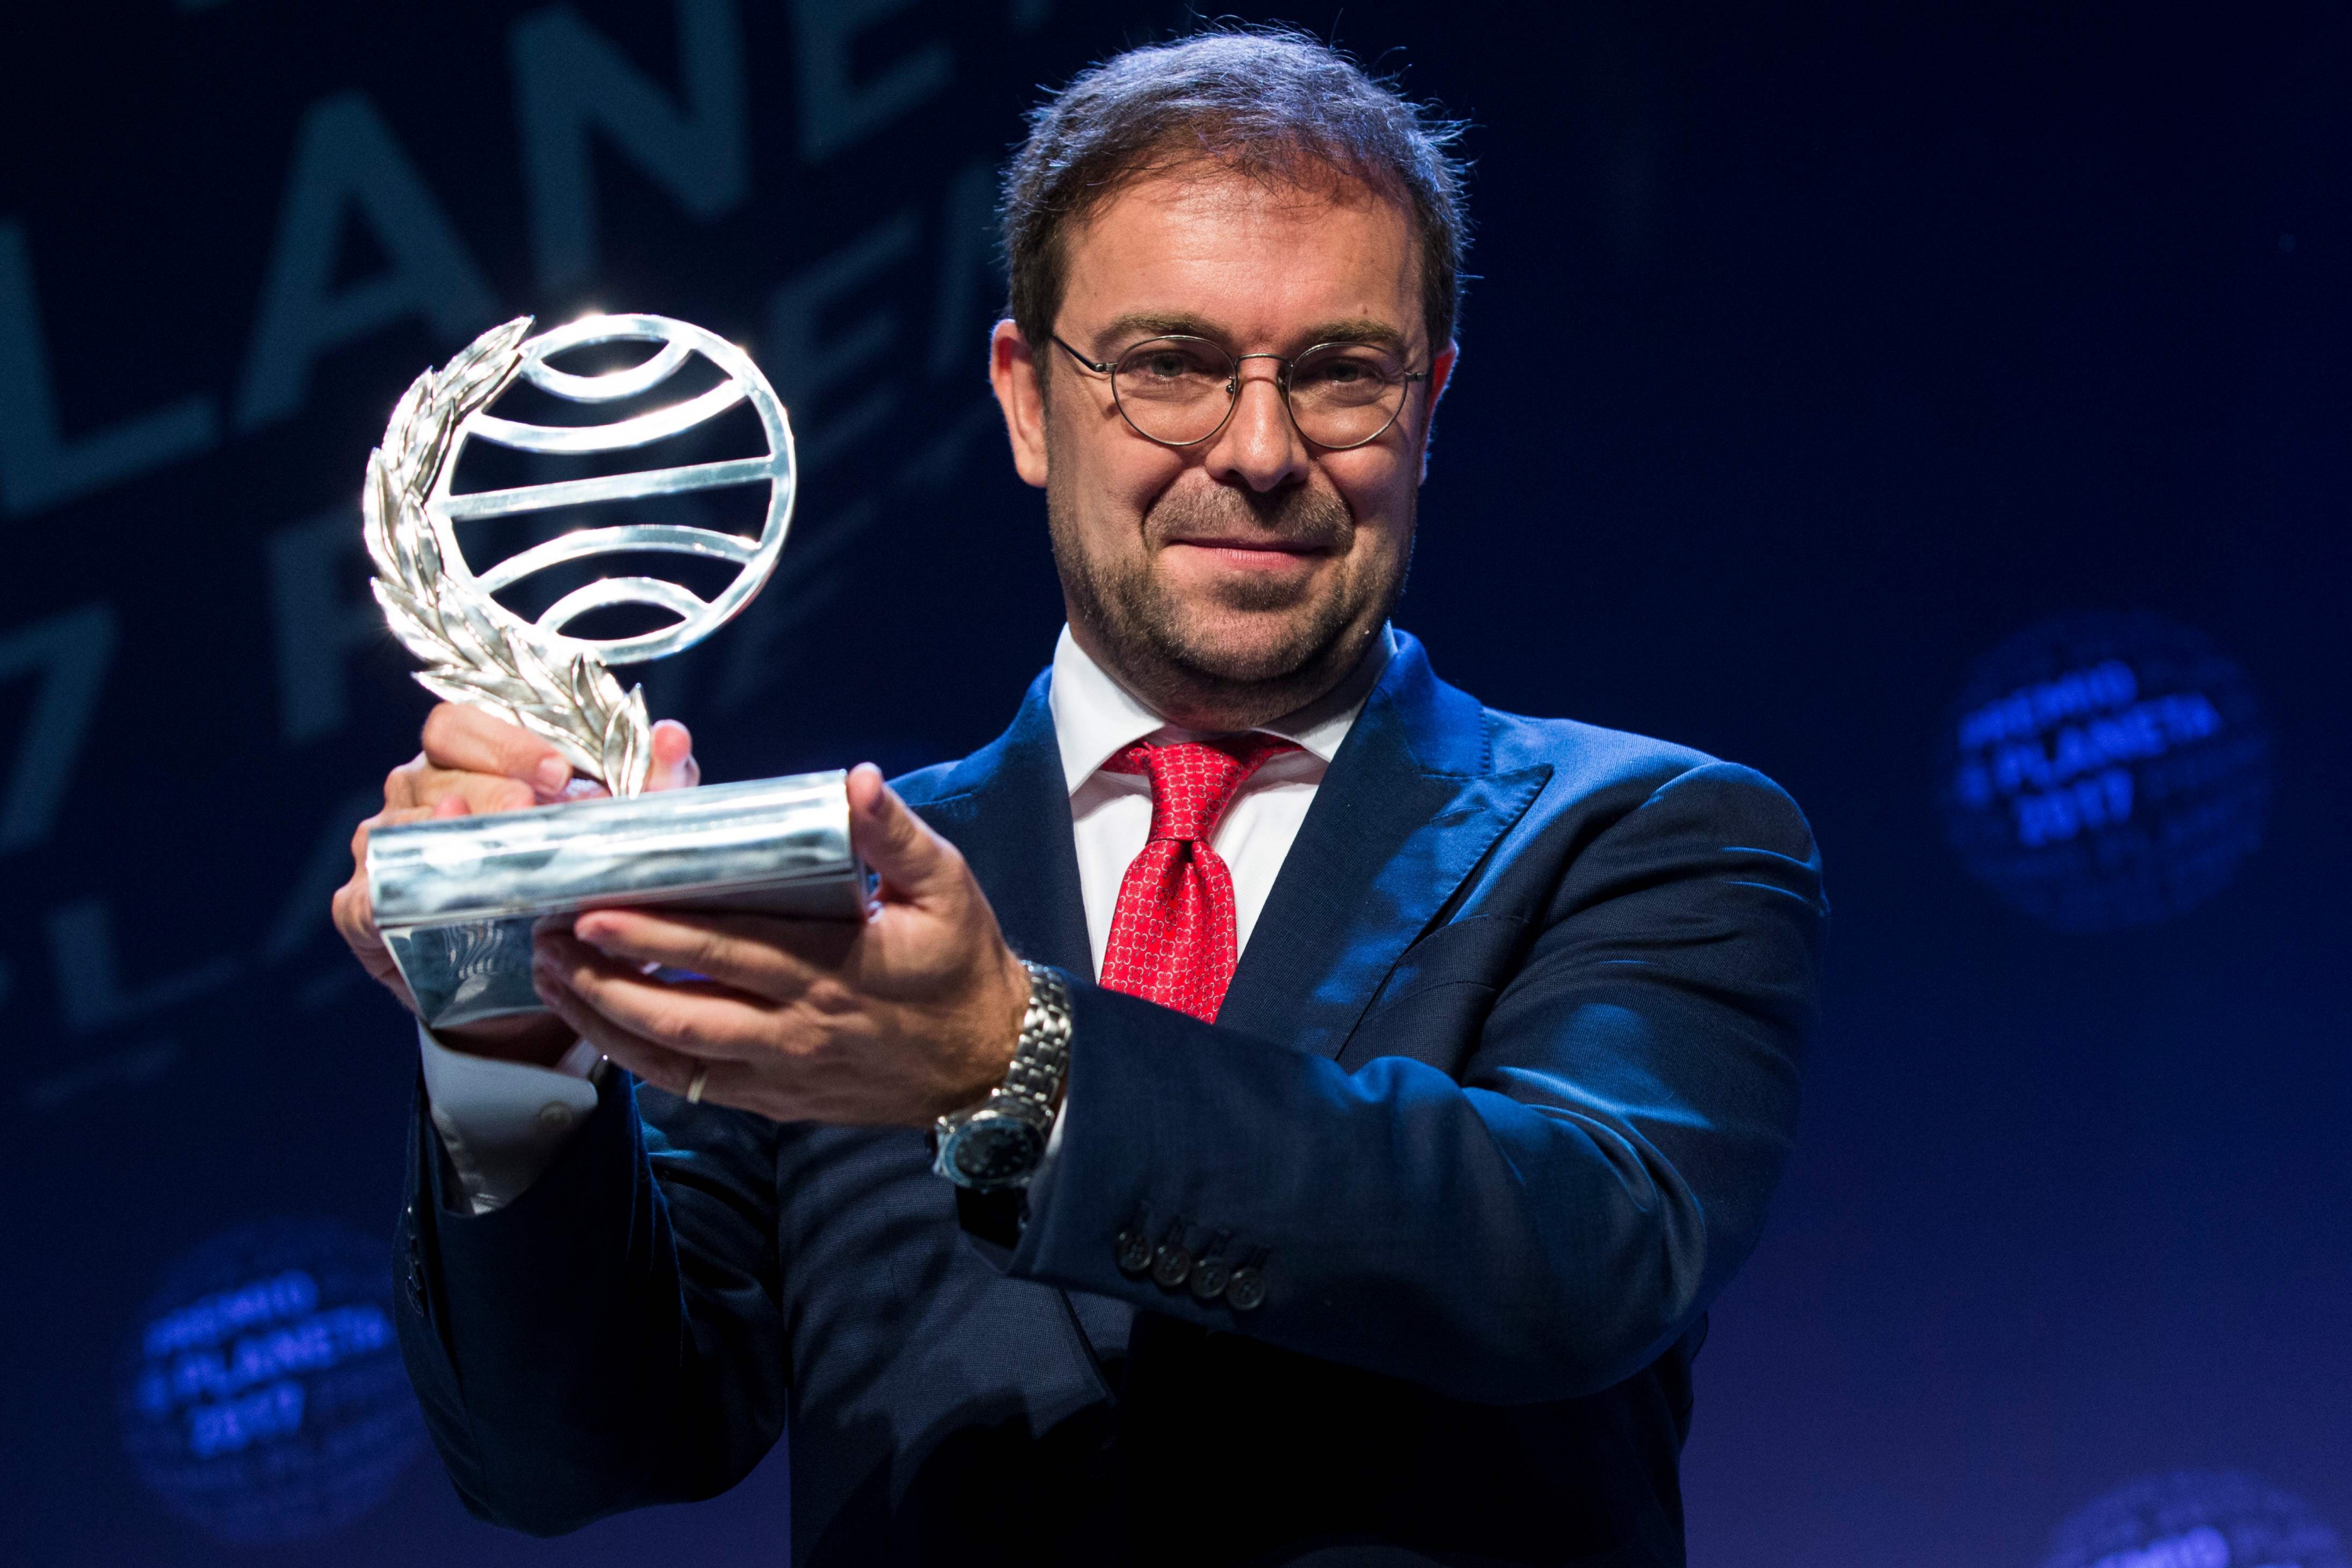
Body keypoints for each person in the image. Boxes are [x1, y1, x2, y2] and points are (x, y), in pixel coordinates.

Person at [333, 27, 1826, 1568]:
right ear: (1030, 401)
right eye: (1171, 366)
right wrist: (511, 1048)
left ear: (1428, 404)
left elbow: (1578, 1254)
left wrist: (1011, 1057)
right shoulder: (841, 899)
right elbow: (574, 1447)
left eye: (1339, 373)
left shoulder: (1650, 837)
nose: (1259, 450)